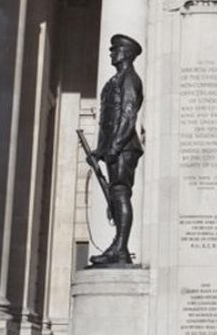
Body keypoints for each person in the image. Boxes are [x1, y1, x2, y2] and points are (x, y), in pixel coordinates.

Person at [88, 34, 145, 266]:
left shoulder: (130, 79)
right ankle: (118, 247)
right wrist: (99, 150)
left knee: (120, 192)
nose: (112, 53)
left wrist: (114, 145)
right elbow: (107, 119)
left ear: (127, 53)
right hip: (115, 146)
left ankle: (120, 247)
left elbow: (128, 114)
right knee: (115, 193)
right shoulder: (114, 81)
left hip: (125, 147)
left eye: (116, 49)